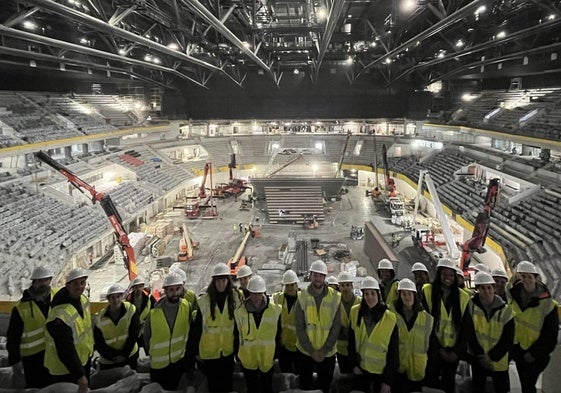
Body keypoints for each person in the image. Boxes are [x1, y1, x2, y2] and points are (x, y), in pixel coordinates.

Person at [421, 258, 472, 393]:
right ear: (438, 275)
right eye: (444, 274)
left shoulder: (463, 297)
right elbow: (425, 324)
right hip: (433, 350)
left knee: (448, 384)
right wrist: (438, 349)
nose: (447, 278)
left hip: (453, 351)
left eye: (450, 275)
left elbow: (466, 328)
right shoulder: (427, 292)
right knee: (431, 382)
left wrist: (456, 352)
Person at [508, 261, 559, 393]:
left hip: (535, 354)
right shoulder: (513, 296)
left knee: (529, 385)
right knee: (525, 384)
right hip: (518, 349)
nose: (526, 280)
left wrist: (534, 353)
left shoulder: (548, 304)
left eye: (529, 276)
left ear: (536, 278)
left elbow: (550, 335)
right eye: (523, 276)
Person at [190, 263, 240, 393]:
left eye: (223, 280)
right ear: (214, 281)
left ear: (228, 281)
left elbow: (238, 327)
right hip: (210, 354)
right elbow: (197, 329)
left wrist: (237, 348)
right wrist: (195, 351)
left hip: (227, 352)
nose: (221, 284)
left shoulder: (235, 299)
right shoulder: (204, 301)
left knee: (228, 385)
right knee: (213, 386)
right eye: (218, 280)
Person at [295, 260, 341, 393]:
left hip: (327, 353)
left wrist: (324, 350)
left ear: (324, 277)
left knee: (325, 386)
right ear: (310, 276)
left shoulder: (335, 297)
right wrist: (311, 351)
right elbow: (299, 327)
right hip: (305, 352)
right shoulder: (302, 296)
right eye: (315, 275)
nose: (318, 278)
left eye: (321, 275)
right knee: (305, 386)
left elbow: (336, 326)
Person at [44, 268, 93, 393]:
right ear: (67, 286)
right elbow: (65, 348)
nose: (79, 287)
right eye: (75, 283)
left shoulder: (83, 301)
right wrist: (80, 375)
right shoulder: (60, 315)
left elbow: (86, 328)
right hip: (64, 370)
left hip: (82, 361)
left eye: (82, 283)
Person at [7, 266, 56, 388]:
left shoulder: (57, 297)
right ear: (34, 282)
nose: (43, 284)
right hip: (32, 360)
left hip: (54, 355)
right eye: (40, 281)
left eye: (46, 280)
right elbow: (12, 337)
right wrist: (15, 361)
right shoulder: (20, 308)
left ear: (50, 280)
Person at [347, 276, 399, 393]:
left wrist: (387, 381)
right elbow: (351, 341)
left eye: (372, 294)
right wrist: (354, 365)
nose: (369, 297)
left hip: (380, 373)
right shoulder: (355, 312)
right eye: (366, 294)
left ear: (378, 295)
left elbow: (393, 352)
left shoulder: (390, 317)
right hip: (361, 369)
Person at [143, 273, 192, 390]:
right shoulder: (154, 312)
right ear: (165, 291)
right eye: (171, 290)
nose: (175, 293)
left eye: (177, 289)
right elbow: (146, 336)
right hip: (158, 366)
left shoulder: (187, 307)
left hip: (178, 363)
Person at [467, 272, 514, 393]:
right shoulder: (471, 307)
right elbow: (469, 333)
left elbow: (507, 339)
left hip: (498, 361)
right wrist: (481, 356)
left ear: (494, 288)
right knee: (478, 388)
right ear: (478, 289)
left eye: (489, 287)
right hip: (478, 359)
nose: (486, 291)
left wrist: (491, 357)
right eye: (482, 288)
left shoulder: (506, 311)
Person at [234, 275, 281, 393]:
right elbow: (236, 335)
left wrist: (276, 354)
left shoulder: (275, 311)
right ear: (249, 292)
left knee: (267, 388)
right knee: (252, 388)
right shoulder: (240, 313)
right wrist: (237, 354)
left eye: (259, 293)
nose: (256, 297)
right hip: (248, 359)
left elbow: (278, 334)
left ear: (264, 292)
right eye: (254, 293)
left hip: (267, 359)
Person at [393, 278, 434, 393]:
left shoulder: (427, 318)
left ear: (415, 295)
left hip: (418, 368)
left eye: (410, 293)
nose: (407, 297)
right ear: (399, 296)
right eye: (404, 294)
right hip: (399, 367)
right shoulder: (393, 315)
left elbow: (431, 346)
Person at [94, 283, 141, 370]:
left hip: (129, 356)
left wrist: (124, 354)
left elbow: (134, 333)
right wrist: (112, 356)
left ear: (121, 297)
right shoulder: (100, 318)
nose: (116, 300)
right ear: (108, 299)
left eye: (118, 297)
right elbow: (99, 342)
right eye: (112, 297)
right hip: (109, 361)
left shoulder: (130, 310)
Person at [272, 269, 300, 373]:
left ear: (296, 284)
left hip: (298, 345)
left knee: (298, 373)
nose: (290, 288)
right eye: (287, 285)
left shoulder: (303, 299)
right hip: (283, 345)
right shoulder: (278, 298)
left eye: (292, 285)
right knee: (286, 373)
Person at [336, 271, 361, 374]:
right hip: (341, 348)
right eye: (342, 285)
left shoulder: (360, 302)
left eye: (347, 285)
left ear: (352, 286)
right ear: (339, 287)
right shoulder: (334, 303)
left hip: (356, 348)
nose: (345, 288)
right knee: (344, 375)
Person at [125, 275, 151, 348]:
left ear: (143, 287)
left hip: (145, 331)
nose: (138, 289)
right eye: (136, 287)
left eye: (140, 286)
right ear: (133, 288)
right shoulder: (128, 301)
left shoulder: (148, 299)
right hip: (133, 332)